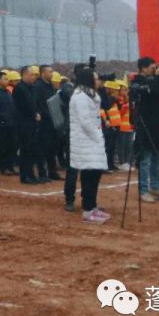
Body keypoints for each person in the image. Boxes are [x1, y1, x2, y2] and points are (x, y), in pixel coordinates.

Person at [69, 66, 109, 223]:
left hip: (92, 140)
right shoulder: (79, 97)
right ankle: (87, 209)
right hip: (86, 141)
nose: (97, 80)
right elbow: (85, 121)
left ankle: (93, 207)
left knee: (95, 175)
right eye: (95, 78)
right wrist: (97, 135)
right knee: (89, 176)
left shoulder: (90, 95)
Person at [131, 56, 159, 202]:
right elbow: (152, 91)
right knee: (145, 159)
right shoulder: (137, 81)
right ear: (143, 68)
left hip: (158, 123)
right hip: (145, 124)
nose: (154, 70)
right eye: (151, 68)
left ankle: (156, 187)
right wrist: (158, 78)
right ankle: (143, 190)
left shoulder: (156, 79)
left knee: (157, 158)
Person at [12, 66, 40, 184]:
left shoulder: (32, 88)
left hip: (32, 123)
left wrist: (37, 113)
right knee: (25, 150)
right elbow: (25, 105)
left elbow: (35, 103)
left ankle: (31, 174)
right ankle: (25, 175)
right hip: (23, 123)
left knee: (32, 149)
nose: (33, 77)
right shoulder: (19, 88)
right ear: (24, 75)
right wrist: (34, 114)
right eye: (31, 74)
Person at [35, 65, 62, 181]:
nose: (51, 74)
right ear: (43, 73)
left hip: (53, 122)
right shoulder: (38, 87)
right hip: (44, 122)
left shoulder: (51, 86)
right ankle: (42, 173)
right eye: (49, 72)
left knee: (52, 148)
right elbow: (40, 104)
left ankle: (52, 171)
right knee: (43, 148)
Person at [0, 71, 18, 176]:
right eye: (5, 79)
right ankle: (4, 167)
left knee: (12, 146)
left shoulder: (8, 92)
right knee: (3, 147)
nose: (7, 81)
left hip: (11, 124)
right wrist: (2, 120)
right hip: (2, 125)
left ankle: (10, 166)